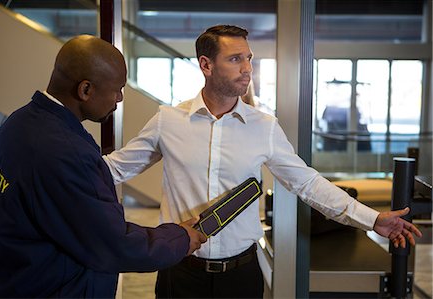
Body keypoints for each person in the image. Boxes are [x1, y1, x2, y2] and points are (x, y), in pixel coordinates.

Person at [103, 25, 422, 298]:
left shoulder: (264, 127)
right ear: (206, 64)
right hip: (180, 274)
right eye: (235, 59)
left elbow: (308, 184)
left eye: (248, 58)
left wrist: (372, 219)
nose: (247, 68)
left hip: (241, 276)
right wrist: (58, 162)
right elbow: (115, 168)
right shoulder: (168, 121)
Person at [0, 35, 206, 298]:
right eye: (117, 89)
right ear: (85, 90)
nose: (120, 98)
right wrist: (178, 238)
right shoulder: (64, 151)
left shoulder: (18, 123)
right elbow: (112, 243)